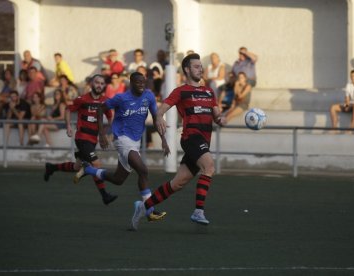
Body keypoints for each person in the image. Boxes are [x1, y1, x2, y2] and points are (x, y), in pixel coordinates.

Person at [130, 53, 226, 230]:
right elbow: (161, 110)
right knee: (209, 167)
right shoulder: (180, 91)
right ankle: (198, 211)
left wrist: (221, 119)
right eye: (196, 66)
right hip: (191, 138)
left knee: (177, 183)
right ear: (187, 70)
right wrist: (159, 118)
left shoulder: (209, 91)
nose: (200, 69)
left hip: (204, 140)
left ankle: (143, 207)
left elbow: (216, 114)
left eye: (201, 66)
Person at [79, 72, 170, 222]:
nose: (141, 85)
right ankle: (149, 210)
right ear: (131, 82)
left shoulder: (149, 96)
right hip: (122, 138)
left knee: (118, 179)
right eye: (138, 82)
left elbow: (155, 118)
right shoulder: (121, 98)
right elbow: (100, 108)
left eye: (143, 82)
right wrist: (101, 133)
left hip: (135, 141)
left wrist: (163, 140)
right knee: (143, 170)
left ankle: (88, 169)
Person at [43, 74, 117, 205]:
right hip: (82, 137)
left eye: (101, 83)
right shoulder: (82, 99)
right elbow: (67, 109)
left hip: (93, 139)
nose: (99, 85)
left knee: (77, 167)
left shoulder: (105, 101)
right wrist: (68, 126)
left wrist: (105, 133)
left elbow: (110, 116)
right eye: (96, 82)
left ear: (104, 86)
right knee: (97, 164)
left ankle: (51, 168)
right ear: (91, 84)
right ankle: (105, 195)